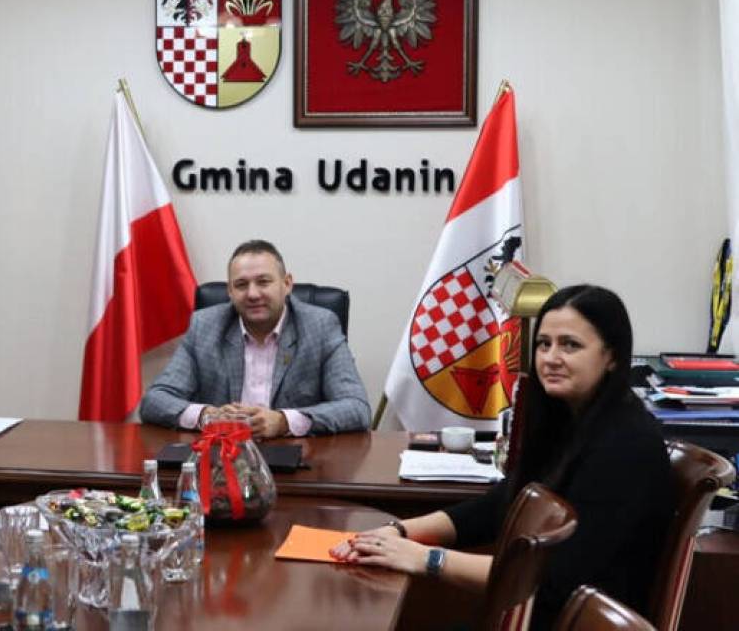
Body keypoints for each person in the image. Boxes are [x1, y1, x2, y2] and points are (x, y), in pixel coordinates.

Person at [331, 285, 675, 629]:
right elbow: (503, 505)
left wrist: (427, 559)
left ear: (612, 357)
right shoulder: (570, 420)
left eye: (570, 345)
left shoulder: (627, 444)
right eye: (544, 344)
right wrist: (399, 531)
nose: (551, 358)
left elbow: (555, 580)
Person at [140, 239, 371, 437]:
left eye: (263, 282)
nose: (252, 294)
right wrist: (207, 415)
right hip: (222, 458)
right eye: (241, 285)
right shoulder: (205, 326)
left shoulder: (320, 326)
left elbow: (356, 408)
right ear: (230, 292)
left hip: (297, 460)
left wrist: (284, 422)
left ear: (287, 284)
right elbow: (155, 400)